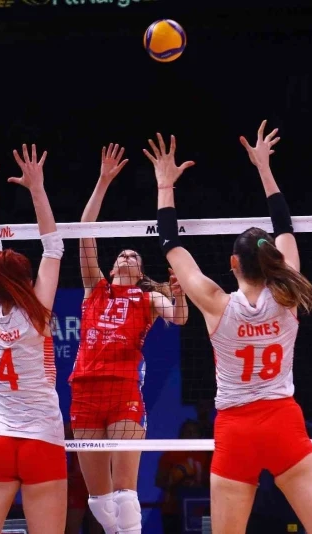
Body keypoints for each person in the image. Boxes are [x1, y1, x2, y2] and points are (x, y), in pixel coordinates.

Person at [144, 122, 312, 534]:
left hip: (235, 428)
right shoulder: (289, 293)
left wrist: (165, 185)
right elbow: (285, 227)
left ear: (233, 264)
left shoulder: (215, 302)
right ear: (274, 262)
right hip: (283, 421)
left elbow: (170, 244)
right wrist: (264, 166)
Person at [70, 143, 189, 534]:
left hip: (123, 392)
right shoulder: (95, 288)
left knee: (124, 493)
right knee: (98, 500)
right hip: (85, 392)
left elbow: (180, 317)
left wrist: (179, 293)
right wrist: (103, 181)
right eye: (121, 255)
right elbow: (84, 233)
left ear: (139, 272)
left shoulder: (147, 298)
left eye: (133, 257)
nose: (126, 257)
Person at [0, 145, 67, 534]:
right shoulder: (37, 314)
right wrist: (37, 187)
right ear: (25, 280)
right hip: (42, 441)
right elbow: (53, 247)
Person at [156, 420, 212, 534]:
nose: (190, 435)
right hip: (173, 511)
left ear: (199, 436)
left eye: (193, 432)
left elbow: (212, 482)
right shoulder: (169, 455)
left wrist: (196, 485)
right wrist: (176, 482)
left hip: (200, 511)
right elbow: (159, 481)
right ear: (180, 435)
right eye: (187, 432)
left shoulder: (206, 456)